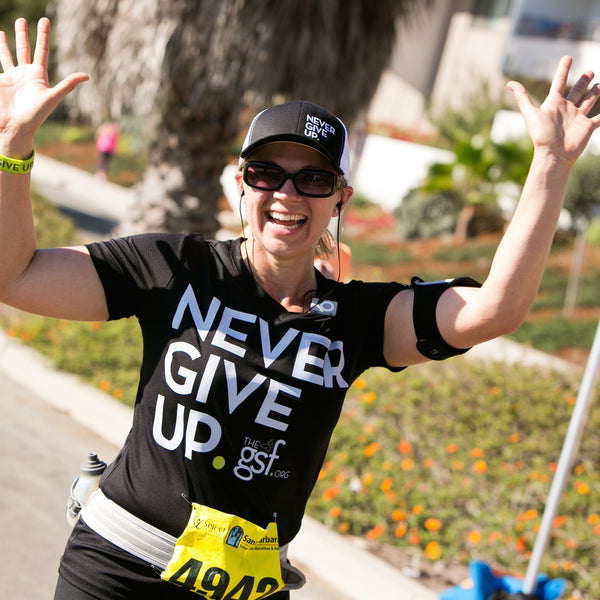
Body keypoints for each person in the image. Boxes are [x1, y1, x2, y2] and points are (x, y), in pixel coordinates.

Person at [1, 16, 599, 600]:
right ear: (242, 184)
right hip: (117, 571)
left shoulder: (360, 320)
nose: (287, 195)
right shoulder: (175, 267)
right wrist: (13, 149)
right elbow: (17, 275)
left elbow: (494, 310)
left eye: (313, 179)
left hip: (248, 588)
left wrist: (551, 163)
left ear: (340, 198)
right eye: (268, 174)